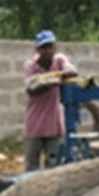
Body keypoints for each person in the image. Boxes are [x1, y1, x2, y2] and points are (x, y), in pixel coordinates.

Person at [23, 30, 77, 171]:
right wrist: (53, 80)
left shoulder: (59, 60)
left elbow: (72, 71)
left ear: (55, 48)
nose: (48, 51)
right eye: (44, 47)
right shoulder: (31, 66)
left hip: (54, 124)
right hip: (35, 124)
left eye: (50, 47)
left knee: (53, 167)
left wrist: (55, 76)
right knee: (32, 167)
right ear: (38, 50)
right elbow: (31, 88)